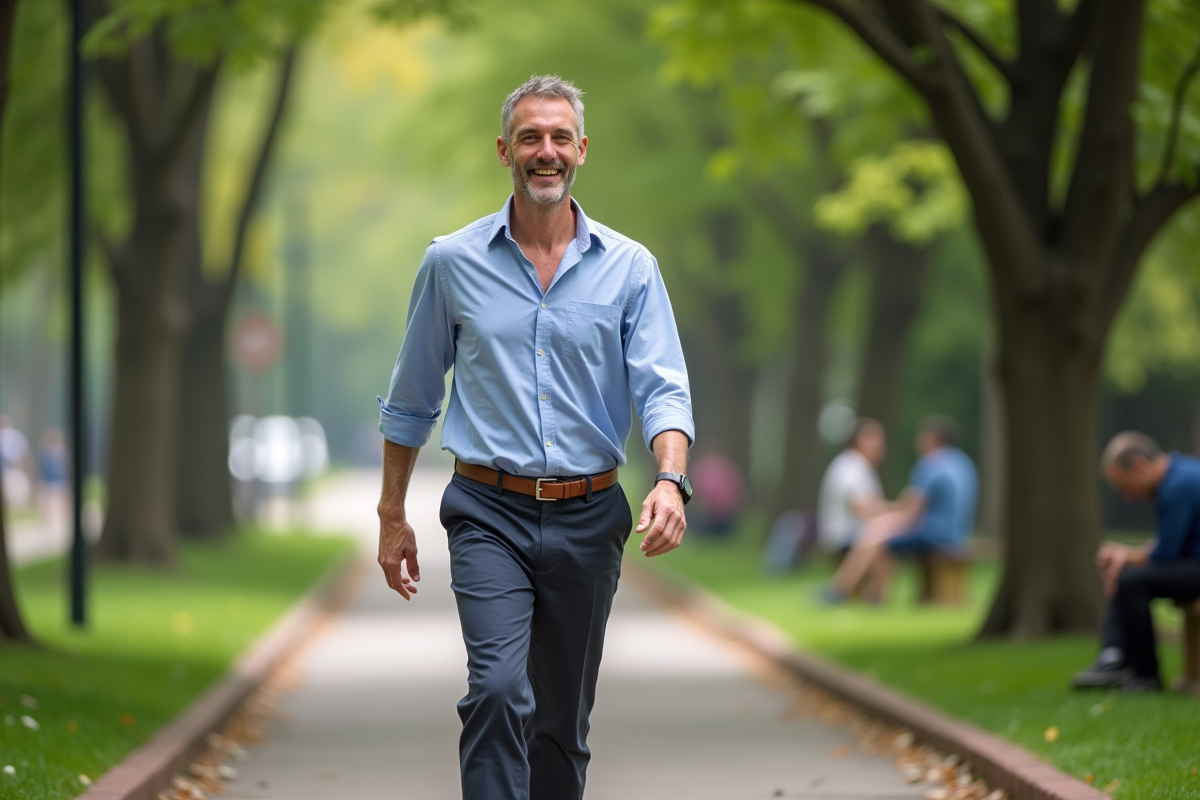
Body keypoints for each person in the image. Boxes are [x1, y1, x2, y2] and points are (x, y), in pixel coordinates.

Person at [375, 76, 694, 800]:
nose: (544, 151)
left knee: (559, 727)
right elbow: (411, 400)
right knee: (494, 692)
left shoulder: (631, 269)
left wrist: (670, 481)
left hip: (590, 516)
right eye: (529, 137)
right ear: (504, 151)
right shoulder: (451, 263)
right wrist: (392, 513)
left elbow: (663, 388)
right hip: (489, 511)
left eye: (558, 137)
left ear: (582, 149)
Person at [1071, 432, 1200, 693]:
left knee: (1131, 581)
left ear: (1140, 466)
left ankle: (1144, 673)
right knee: (1128, 575)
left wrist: (1124, 556)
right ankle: (1114, 657)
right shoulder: (1181, 474)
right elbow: (1173, 544)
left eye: (1124, 485)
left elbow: (1166, 554)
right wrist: (1126, 557)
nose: (1127, 496)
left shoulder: (1177, 486)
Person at [824, 415, 977, 603]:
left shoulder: (931, 463)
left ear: (932, 439)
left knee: (878, 535)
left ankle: (849, 590)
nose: (918, 442)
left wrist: (892, 515)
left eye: (921, 437)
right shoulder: (963, 463)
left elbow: (912, 507)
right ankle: (871, 595)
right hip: (956, 533)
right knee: (880, 533)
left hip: (933, 533)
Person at [817, 417, 886, 555]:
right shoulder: (852, 466)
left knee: (881, 534)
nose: (881, 445)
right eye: (874, 438)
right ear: (859, 441)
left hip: (850, 532)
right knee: (878, 535)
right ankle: (844, 578)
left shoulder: (860, 465)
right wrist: (900, 514)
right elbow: (863, 509)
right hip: (841, 534)